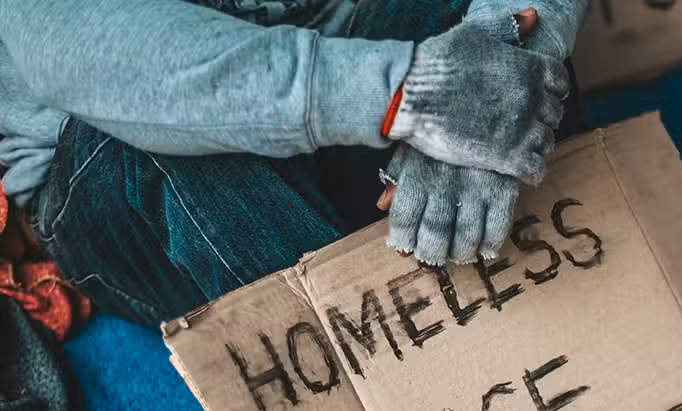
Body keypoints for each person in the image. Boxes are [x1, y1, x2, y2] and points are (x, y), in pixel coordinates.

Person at [0, 0, 590, 326]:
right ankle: (400, 373)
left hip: (351, 68)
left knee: (508, 45)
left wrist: (488, 100)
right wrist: (415, 96)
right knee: (162, 139)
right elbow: (82, 52)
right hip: (126, 182)